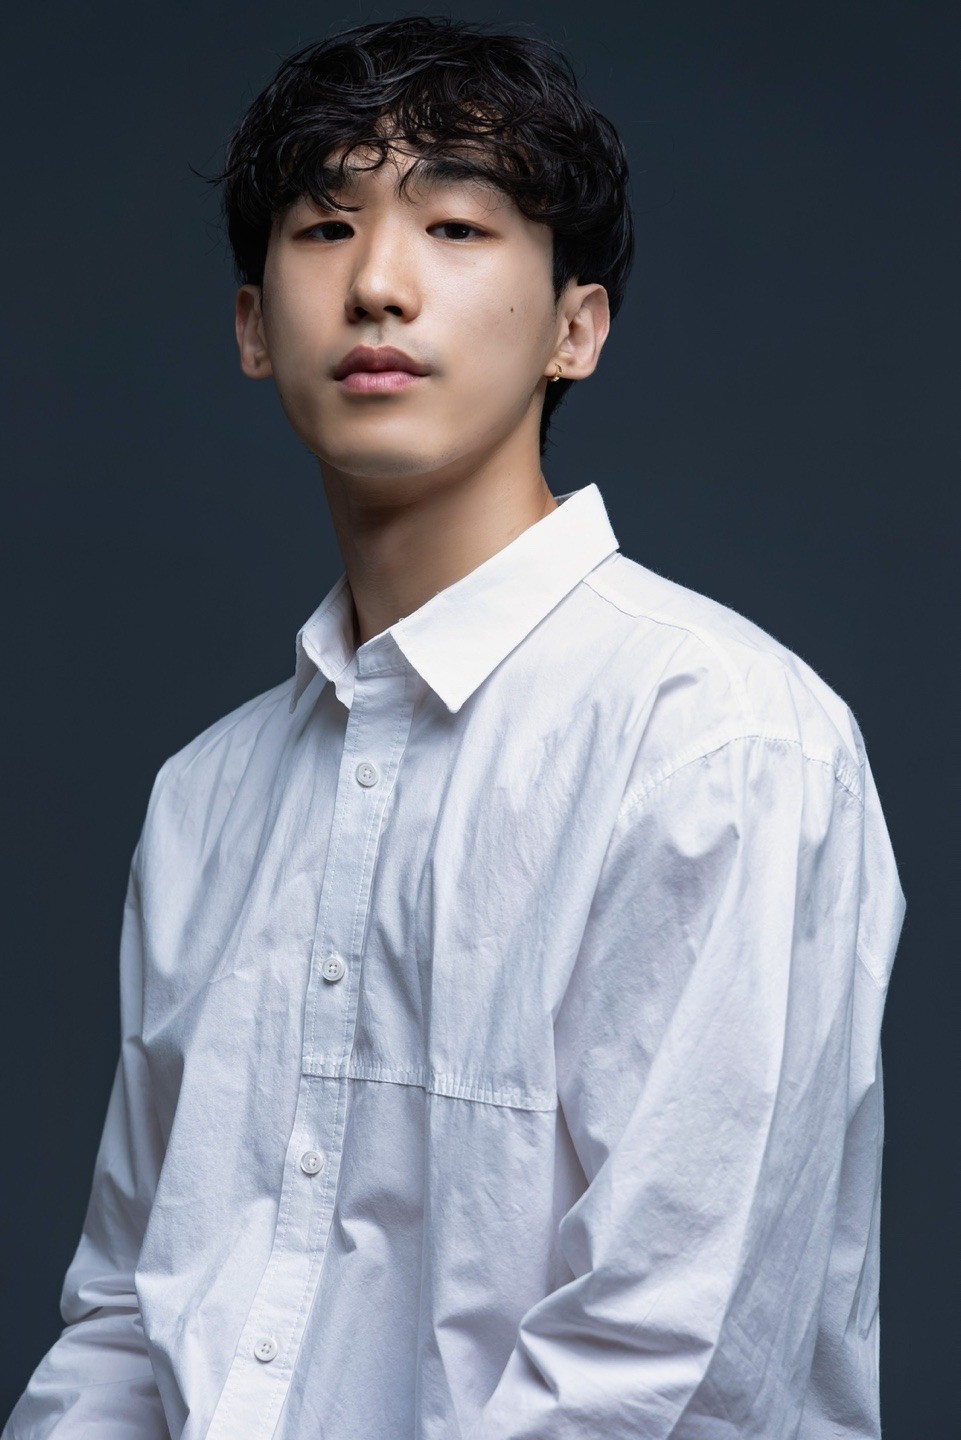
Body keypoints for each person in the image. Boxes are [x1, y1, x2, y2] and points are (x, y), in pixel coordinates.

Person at [4, 15, 905, 1440]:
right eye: (324, 228)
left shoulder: (715, 741)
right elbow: (127, 1317)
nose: (376, 283)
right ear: (253, 330)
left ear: (575, 330)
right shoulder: (204, 797)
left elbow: (666, 1368)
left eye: (457, 227)